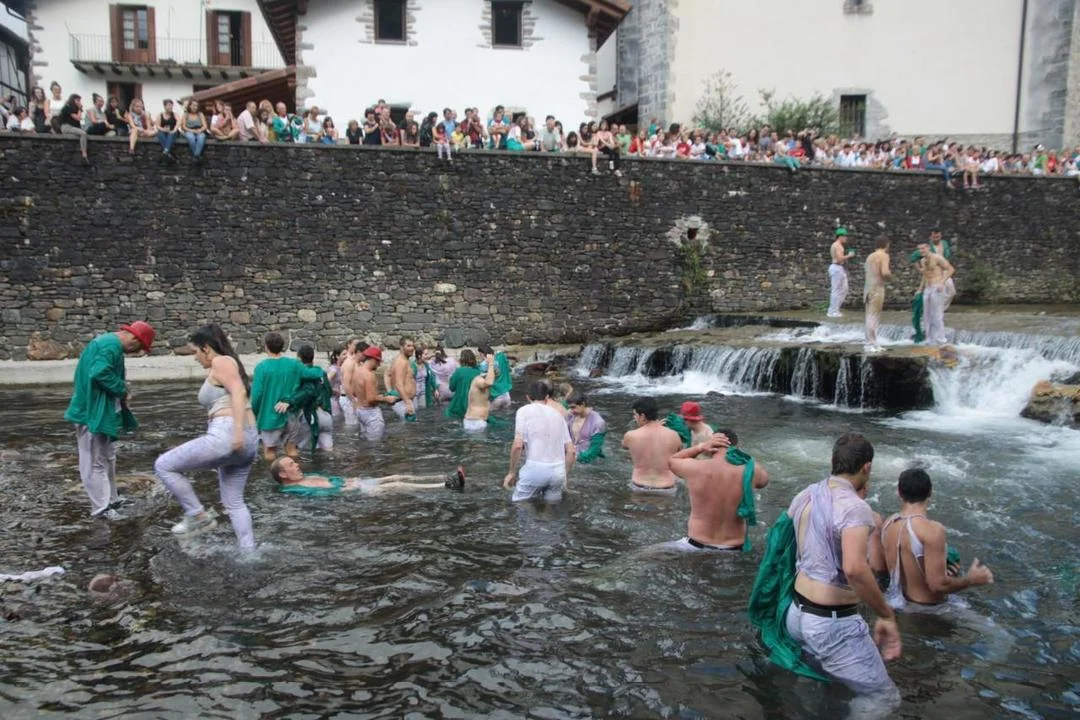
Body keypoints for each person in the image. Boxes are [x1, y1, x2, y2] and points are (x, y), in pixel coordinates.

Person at [782, 433, 902, 713]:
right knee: (884, 698)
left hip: (796, 615)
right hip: (831, 623)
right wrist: (886, 614)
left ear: (833, 460)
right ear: (867, 467)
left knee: (823, 686)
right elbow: (855, 570)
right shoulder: (855, 508)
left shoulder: (805, 495)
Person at [153, 324, 258, 547]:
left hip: (228, 433)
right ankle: (249, 553)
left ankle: (197, 516)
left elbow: (238, 392)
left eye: (195, 351)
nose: (195, 358)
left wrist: (236, 433)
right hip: (248, 439)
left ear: (207, 348)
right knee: (234, 503)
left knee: (164, 465)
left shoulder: (221, 361)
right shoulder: (229, 363)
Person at [64, 321, 155, 519]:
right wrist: (122, 389)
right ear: (134, 339)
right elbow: (99, 372)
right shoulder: (110, 346)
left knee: (107, 457)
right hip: (91, 411)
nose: (138, 352)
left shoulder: (109, 344)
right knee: (94, 461)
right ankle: (101, 509)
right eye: (140, 347)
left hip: (98, 409)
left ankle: (112, 500)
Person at [882, 468, 993, 611]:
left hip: (897, 603)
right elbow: (937, 585)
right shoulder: (933, 530)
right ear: (930, 492)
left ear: (899, 492)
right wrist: (971, 579)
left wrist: (946, 573)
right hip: (929, 610)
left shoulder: (888, 524)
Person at [667, 429, 769, 552]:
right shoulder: (751, 471)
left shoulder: (695, 467)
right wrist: (745, 459)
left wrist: (700, 447)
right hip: (735, 549)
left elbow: (672, 460)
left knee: (650, 551)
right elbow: (764, 481)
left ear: (710, 445)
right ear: (736, 447)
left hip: (696, 545)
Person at [503, 381, 575, 503]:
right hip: (558, 471)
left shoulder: (523, 411)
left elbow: (518, 445)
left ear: (528, 397)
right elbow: (571, 451)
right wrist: (565, 476)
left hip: (535, 469)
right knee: (551, 508)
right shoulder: (558, 415)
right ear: (546, 397)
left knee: (519, 504)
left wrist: (511, 472)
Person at [270, 456, 465, 495]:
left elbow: (330, 480)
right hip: (353, 491)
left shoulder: (307, 476)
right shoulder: (295, 489)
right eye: (291, 465)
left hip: (352, 484)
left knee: (396, 476)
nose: (297, 465)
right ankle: (446, 485)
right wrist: (348, 487)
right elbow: (324, 492)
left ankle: (443, 476)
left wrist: (348, 480)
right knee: (396, 486)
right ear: (283, 474)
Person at [249, 332, 304, 461]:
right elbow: (304, 384)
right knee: (291, 449)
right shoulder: (294, 364)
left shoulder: (261, 367)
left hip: (269, 416)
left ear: (266, 347)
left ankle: (272, 474)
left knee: (270, 451)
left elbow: (256, 395)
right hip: (292, 413)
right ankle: (296, 470)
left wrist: (253, 414)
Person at [276, 344, 334, 453]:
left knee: (295, 449)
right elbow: (329, 391)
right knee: (328, 451)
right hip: (327, 416)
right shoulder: (322, 373)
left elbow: (308, 392)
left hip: (312, 417)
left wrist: (290, 401)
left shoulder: (305, 375)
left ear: (299, 358)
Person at [622, 398, 684, 495]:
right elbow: (680, 452)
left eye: (635, 414)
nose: (634, 418)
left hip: (639, 487)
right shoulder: (674, 435)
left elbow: (624, 445)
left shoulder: (630, 435)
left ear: (642, 416)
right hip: (666, 488)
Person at [351, 346, 397, 440]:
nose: (379, 365)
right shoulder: (369, 375)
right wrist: (386, 399)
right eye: (378, 361)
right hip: (371, 414)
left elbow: (354, 392)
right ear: (373, 359)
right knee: (374, 444)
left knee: (364, 441)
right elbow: (371, 399)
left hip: (360, 411)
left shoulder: (356, 371)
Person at [916, 243, 955, 346]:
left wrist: (942, 282)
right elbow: (925, 275)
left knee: (937, 315)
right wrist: (920, 289)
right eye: (920, 249)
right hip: (928, 288)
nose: (921, 250)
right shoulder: (922, 261)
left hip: (937, 287)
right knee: (926, 315)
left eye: (923, 248)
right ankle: (929, 339)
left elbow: (950, 269)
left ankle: (942, 340)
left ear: (928, 248)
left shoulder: (937, 258)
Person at [864, 236, 892, 353]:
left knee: (869, 315)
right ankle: (872, 343)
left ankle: (869, 342)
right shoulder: (884, 255)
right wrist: (890, 276)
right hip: (877, 287)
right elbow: (884, 272)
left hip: (867, 288)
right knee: (874, 316)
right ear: (886, 244)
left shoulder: (870, 256)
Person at [566, 393, 606, 463]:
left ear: (583, 404)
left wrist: (578, 458)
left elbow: (595, 448)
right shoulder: (571, 416)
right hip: (574, 456)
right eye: (570, 408)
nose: (571, 410)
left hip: (590, 460)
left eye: (573, 407)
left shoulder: (598, 422)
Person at [386, 337, 419, 421]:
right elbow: (399, 384)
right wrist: (407, 402)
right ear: (401, 347)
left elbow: (387, 374)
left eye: (413, 346)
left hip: (406, 400)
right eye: (408, 346)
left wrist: (389, 390)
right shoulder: (401, 362)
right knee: (408, 428)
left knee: (411, 426)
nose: (412, 348)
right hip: (403, 402)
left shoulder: (405, 360)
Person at [463, 352, 496, 432]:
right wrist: (491, 364)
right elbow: (489, 382)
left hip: (477, 421)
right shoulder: (479, 380)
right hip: (475, 422)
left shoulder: (482, 380)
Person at [827, 227, 856, 318]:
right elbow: (839, 259)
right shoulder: (837, 246)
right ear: (840, 236)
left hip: (839, 268)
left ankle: (835, 309)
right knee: (836, 290)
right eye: (845, 236)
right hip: (836, 267)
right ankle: (832, 311)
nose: (846, 238)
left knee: (844, 289)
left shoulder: (838, 245)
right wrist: (849, 255)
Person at [445, 349, 481, 420]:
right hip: (474, 404)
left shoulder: (459, 371)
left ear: (462, 359)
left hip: (459, 404)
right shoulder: (478, 372)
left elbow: (452, 387)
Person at [478, 344, 513, 411]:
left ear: (482, 354)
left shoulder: (483, 365)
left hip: (496, 397)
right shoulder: (501, 357)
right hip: (506, 395)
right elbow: (507, 366)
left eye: (480, 355)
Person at [338, 338, 364, 425]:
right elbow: (346, 382)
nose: (357, 346)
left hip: (355, 396)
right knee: (351, 424)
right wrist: (353, 400)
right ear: (349, 344)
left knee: (357, 423)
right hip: (348, 396)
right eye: (355, 344)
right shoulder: (346, 358)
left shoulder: (356, 359)